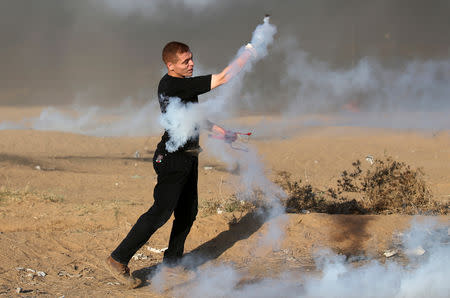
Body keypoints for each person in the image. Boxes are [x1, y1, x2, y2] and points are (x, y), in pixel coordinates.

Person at [106, 41, 256, 288]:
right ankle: (118, 259)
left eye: (191, 58)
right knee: (161, 212)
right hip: (173, 158)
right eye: (185, 61)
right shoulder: (175, 84)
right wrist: (249, 51)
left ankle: (172, 265)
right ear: (170, 65)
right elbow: (222, 78)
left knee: (187, 212)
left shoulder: (181, 86)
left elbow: (193, 116)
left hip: (188, 156)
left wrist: (222, 132)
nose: (192, 64)